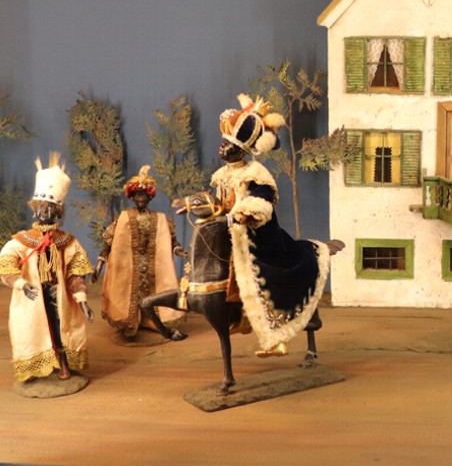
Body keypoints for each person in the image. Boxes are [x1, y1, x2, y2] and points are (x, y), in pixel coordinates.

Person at [202, 94, 330, 358]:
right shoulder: (222, 175)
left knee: (259, 278)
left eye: (228, 145)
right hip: (228, 232)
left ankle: (275, 338)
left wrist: (244, 214)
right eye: (222, 143)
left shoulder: (256, 173)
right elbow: (219, 203)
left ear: (241, 150)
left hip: (256, 236)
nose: (222, 148)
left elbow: (263, 200)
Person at [0, 154, 94, 382]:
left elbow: (76, 270)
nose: (45, 213)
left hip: (57, 294)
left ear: (58, 213)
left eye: (50, 208)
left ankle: (63, 362)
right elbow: (6, 261)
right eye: (42, 208)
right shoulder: (23, 240)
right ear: (35, 210)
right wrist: (21, 283)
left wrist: (82, 299)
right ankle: (36, 364)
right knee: (33, 328)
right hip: (32, 294)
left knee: (61, 327)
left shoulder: (66, 242)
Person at [96, 165, 187, 339]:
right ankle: (131, 322)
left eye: (144, 195)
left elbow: (171, 239)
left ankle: (152, 321)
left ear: (149, 197)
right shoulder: (124, 217)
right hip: (129, 267)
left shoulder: (159, 218)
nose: (141, 198)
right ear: (132, 197)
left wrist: (178, 250)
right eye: (138, 195)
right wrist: (100, 262)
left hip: (153, 268)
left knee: (153, 296)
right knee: (130, 296)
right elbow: (109, 240)